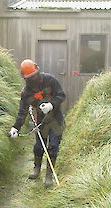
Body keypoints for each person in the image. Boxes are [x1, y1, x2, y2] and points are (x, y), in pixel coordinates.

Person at [8, 59, 66, 187]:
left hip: (56, 119)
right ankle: (37, 169)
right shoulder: (26, 92)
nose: (32, 80)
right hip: (41, 122)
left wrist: (51, 105)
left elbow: (61, 95)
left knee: (53, 147)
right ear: (25, 78)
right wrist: (15, 128)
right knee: (39, 147)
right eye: (29, 78)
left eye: (33, 76)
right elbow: (22, 112)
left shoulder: (50, 80)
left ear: (37, 72)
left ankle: (49, 175)